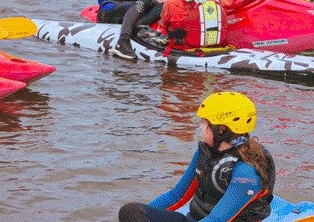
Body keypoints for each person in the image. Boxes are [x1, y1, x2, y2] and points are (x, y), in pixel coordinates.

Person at [117, 91, 275, 222]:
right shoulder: (206, 152)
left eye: (204, 123)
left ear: (221, 129)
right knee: (131, 212)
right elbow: (177, 195)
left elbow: (217, 219)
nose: (200, 126)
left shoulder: (246, 171)